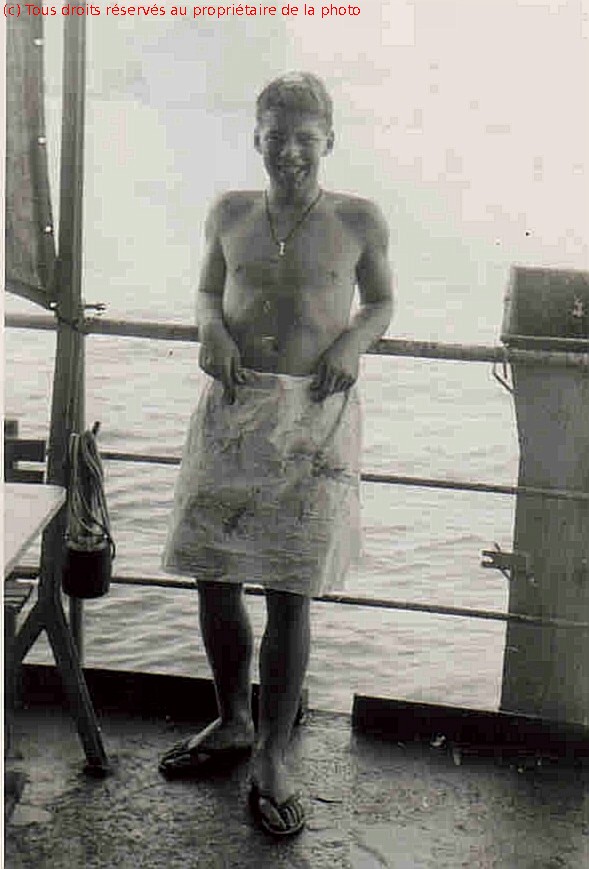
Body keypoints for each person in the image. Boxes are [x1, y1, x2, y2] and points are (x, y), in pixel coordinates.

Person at [159, 71, 393, 837]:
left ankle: (272, 752)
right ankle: (231, 718)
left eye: (304, 138)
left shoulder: (358, 218)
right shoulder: (229, 211)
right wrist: (209, 329)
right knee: (215, 574)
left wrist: (353, 344)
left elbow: (380, 300)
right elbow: (207, 291)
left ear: (330, 140)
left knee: (290, 589)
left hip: (312, 415)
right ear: (255, 137)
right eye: (275, 136)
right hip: (232, 408)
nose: (289, 151)